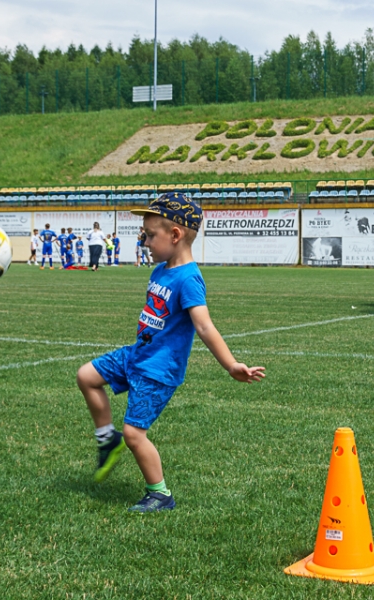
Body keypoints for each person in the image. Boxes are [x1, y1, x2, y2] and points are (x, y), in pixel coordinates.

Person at [75, 193, 265, 513]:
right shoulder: (161, 270)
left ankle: (160, 494)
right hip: (137, 355)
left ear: (175, 235)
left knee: (135, 434)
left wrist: (232, 365)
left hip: (157, 369)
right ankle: (108, 438)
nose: (145, 242)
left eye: (150, 236)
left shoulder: (189, 279)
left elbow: (204, 327)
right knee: (86, 376)